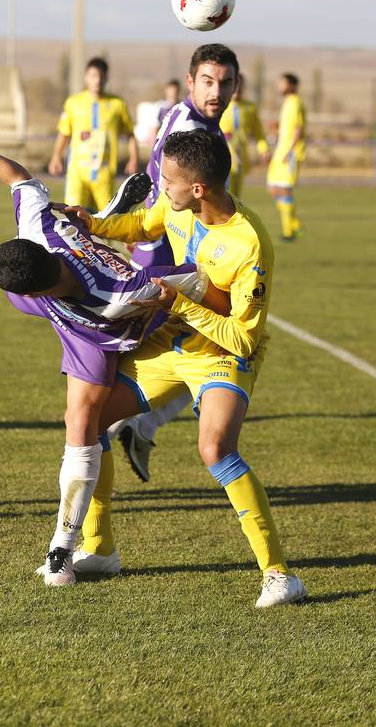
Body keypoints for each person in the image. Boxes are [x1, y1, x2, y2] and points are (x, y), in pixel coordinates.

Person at [0, 127, 221, 587]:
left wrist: (214, 305)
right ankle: (75, 547)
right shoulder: (39, 227)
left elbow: (195, 281)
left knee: (81, 424)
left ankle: (61, 550)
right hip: (74, 302)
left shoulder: (124, 294)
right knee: (82, 423)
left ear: (36, 287)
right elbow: (14, 173)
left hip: (99, 331)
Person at [64, 127, 307, 609]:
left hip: (223, 355)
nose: (162, 187)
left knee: (215, 448)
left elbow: (243, 336)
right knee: (87, 421)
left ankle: (280, 576)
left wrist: (180, 300)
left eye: (168, 180)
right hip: (171, 343)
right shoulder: (178, 206)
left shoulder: (249, 243)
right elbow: (142, 225)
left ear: (197, 188)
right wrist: (92, 224)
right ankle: (100, 549)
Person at [105, 44, 240, 483]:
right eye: (207, 81)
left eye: (224, 82)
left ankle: (125, 427)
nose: (216, 90)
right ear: (189, 82)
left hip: (167, 247)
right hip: (168, 252)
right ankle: (114, 431)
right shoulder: (192, 126)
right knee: (221, 346)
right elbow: (171, 196)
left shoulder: (193, 121)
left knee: (202, 348)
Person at [48, 57, 139, 211]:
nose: (97, 81)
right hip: (77, 172)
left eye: (101, 76)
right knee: (72, 214)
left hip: (104, 173)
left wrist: (134, 159)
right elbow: (64, 133)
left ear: (106, 78)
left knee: (107, 218)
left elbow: (130, 134)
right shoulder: (73, 103)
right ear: (86, 77)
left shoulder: (117, 104)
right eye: (93, 76)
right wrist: (56, 156)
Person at [266, 72, 307, 241]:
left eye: (282, 83)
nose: (279, 86)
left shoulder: (296, 102)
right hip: (280, 151)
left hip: (288, 153)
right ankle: (295, 224)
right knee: (273, 188)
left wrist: (289, 150)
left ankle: (290, 231)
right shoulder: (287, 103)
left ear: (291, 85)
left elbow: (298, 128)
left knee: (283, 188)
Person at [218, 73, 269, 197]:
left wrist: (264, 150)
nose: (238, 89)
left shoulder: (250, 107)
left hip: (241, 158)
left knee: (235, 197)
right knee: (223, 194)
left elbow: (258, 132)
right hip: (220, 157)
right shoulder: (219, 104)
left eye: (240, 85)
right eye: (235, 85)